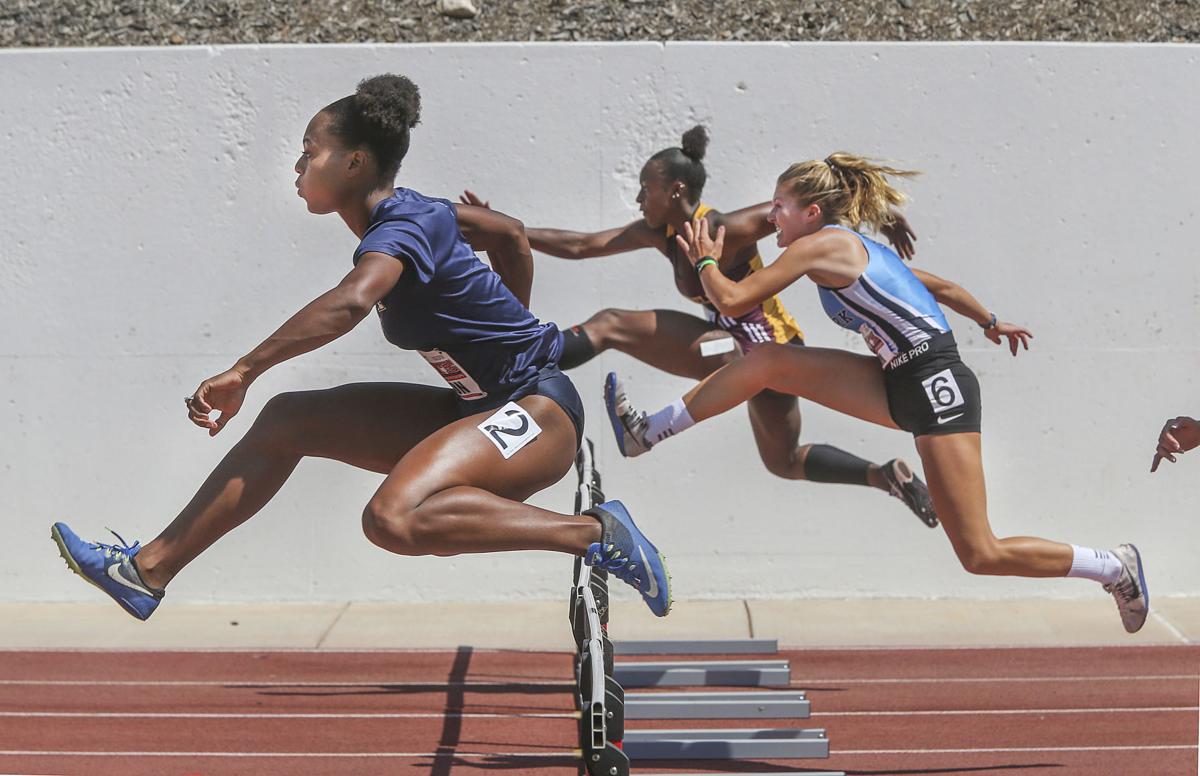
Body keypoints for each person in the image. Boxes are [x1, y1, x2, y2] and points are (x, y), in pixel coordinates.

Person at [50, 73, 672, 621]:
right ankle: (145, 572)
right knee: (288, 420)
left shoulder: (402, 228)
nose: (297, 167)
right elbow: (508, 233)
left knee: (391, 519)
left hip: (538, 413)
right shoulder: (421, 213)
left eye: (308, 152)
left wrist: (245, 369)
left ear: (353, 162)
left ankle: (594, 531)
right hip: (478, 409)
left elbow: (352, 301)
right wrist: (511, 318)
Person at [605, 152, 1149, 633]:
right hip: (894, 377)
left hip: (935, 385)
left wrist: (703, 258)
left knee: (980, 553)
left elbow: (732, 299)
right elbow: (939, 287)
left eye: (779, 207)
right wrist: (990, 319)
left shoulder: (819, 247)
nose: (770, 218)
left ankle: (1112, 566)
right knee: (767, 360)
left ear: (811, 213)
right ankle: (646, 432)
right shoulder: (852, 249)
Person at [462, 126, 939, 528]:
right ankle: (884, 475)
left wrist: (882, 216)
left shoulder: (729, 226)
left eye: (645, 189)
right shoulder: (659, 232)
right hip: (727, 349)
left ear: (675, 191)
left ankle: (533, 373)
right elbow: (584, 245)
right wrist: (506, 230)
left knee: (614, 326)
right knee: (783, 460)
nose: (637, 198)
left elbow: (808, 207)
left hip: (770, 353)